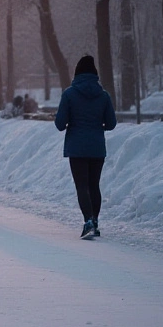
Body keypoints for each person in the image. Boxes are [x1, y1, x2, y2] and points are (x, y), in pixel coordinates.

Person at [54, 56, 117, 238]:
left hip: (77, 147)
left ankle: (88, 221)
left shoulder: (69, 94)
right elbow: (111, 124)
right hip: (97, 146)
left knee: (82, 185)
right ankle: (95, 221)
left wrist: (71, 122)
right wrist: (97, 126)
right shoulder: (104, 96)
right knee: (94, 185)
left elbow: (59, 124)